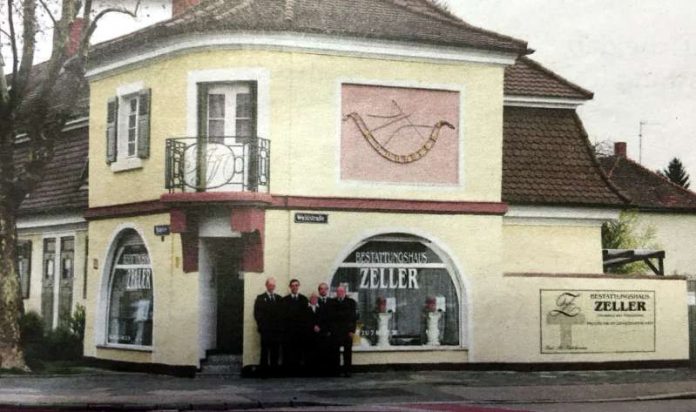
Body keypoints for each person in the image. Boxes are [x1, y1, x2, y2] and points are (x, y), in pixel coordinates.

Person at [253, 277, 282, 376]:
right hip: (266, 330)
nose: (272, 287)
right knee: (265, 351)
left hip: (276, 330)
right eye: (270, 285)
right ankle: (264, 372)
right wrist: (262, 327)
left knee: (275, 351)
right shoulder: (260, 298)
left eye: (273, 285)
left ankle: (274, 372)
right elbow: (257, 314)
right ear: (266, 285)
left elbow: (281, 315)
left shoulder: (279, 298)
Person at [281, 278, 308, 374]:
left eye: (296, 285)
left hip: (300, 332)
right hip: (289, 332)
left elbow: (306, 317)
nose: (295, 287)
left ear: (299, 287)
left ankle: (298, 371)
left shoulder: (304, 299)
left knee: (299, 351)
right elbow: (283, 317)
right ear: (290, 287)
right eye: (293, 286)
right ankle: (288, 371)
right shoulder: (284, 300)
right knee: (288, 351)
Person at [329, 286, 358, 377]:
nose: (340, 293)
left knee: (347, 351)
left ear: (345, 292)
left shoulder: (351, 302)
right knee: (335, 352)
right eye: (338, 291)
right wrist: (331, 330)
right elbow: (330, 318)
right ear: (336, 293)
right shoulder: (332, 302)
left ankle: (347, 371)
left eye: (341, 291)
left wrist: (352, 331)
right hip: (336, 331)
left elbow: (353, 318)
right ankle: (336, 371)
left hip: (347, 331)